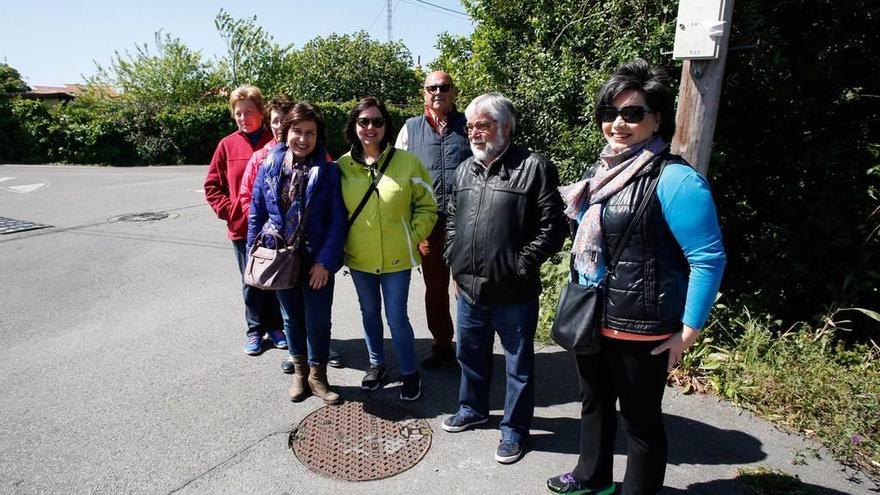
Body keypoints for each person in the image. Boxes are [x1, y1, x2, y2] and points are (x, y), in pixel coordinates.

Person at [546, 59, 726, 495]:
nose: (618, 124)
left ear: (657, 118)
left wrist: (687, 333)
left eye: (632, 113)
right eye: (610, 113)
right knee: (594, 404)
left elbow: (708, 259)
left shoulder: (676, 180)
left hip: (642, 328)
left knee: (641, 423)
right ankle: (593, 476)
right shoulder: (600, 173)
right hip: (594, 315)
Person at [441, 92, 568, 464]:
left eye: (484, 124)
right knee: (469, 355)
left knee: (518, 367)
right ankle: (473, 408)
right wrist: (454, 258)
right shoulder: (466, 168)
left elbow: (553, 226)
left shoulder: (534, 166)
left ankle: (514, 430)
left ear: (506, 127)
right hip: (469, 289)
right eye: (471, 127)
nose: (476, 133)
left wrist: (521, 265)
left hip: (514, 292)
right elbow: (452, 218)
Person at [247, 102, 347, 405]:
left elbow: (337, 221)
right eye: (297, 131)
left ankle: (319, 378)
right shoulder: (270, 165)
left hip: (315, 260)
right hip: (280, 259)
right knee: (291, 319)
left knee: (318, 320)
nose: (303, 139)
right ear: (285, 131)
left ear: (319, 137)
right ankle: (300, 374)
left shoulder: (329, 171)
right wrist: (255, 254)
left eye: (310, 133)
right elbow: (257, 212)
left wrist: (325, 263)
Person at [338, 97, 437, 401]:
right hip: (359, 258)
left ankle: (410, 372)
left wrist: (413, 235)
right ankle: (376, 364)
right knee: (369, 312)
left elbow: (428, 205)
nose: (370, 127)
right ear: (354, 126)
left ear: (386, 126)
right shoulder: (342, 166)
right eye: (363, 121)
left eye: (377, 121)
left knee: (397, 317)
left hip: (397, 258)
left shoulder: (407, 162)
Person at [395, 71, 472, 368]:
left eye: (444, 86)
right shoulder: (410, 129)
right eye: (432, 87)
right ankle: (442, 344)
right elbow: (400, 177)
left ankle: (471, 347)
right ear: (423, 93)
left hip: (467, 219)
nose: (438, 91)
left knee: (468, 286)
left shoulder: (469, 125)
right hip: (429, 223)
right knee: (435, 287)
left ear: (454, 91)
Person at [204, 85, 285, 355]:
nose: (243, 118)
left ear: (261, 112)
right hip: (242, 229)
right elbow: (212, 186)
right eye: (238, 113)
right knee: (251, 280)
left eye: (248, 112)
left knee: (275, 277)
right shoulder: (227, 145)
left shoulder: (273, 142)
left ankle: (276, 327)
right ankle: (254, 330)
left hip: (275, 228)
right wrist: (230, 211)